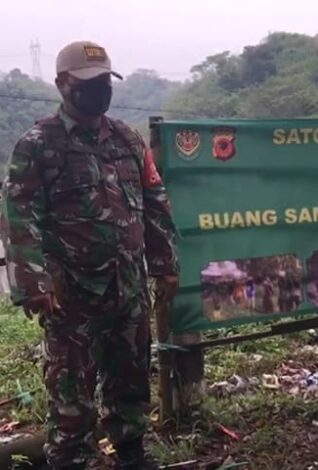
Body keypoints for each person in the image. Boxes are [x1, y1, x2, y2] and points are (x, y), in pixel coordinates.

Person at [1, 41, 179, 469]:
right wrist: (34, 284)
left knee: (131, 375)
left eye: (103, 82)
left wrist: (166, 265)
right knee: (70, 391)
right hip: (69, 294)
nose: (98, 90)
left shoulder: (127, 139)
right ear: (62, 84)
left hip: (128, 284)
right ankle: (70, 459)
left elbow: (155, 201)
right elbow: (17, 218)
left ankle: (132, 452)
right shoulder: (39, 145)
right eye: (87, 83)